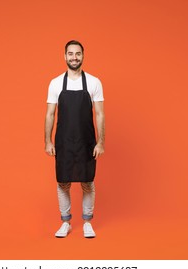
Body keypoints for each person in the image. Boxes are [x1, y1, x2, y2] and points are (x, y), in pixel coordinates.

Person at [45, 40, 105, 238]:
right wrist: (48, 141)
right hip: (63, 141)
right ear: (64, 56)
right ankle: (66, 222)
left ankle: (87, 222)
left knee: (88, 181)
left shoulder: (94, 82)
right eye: (70, 54)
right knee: (63, 182)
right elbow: (50, 114)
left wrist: (100, 142)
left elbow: (99, 114)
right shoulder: (55, 83)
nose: (74, 57)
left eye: (78, 53)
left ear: (83, 56)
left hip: (86, 140)